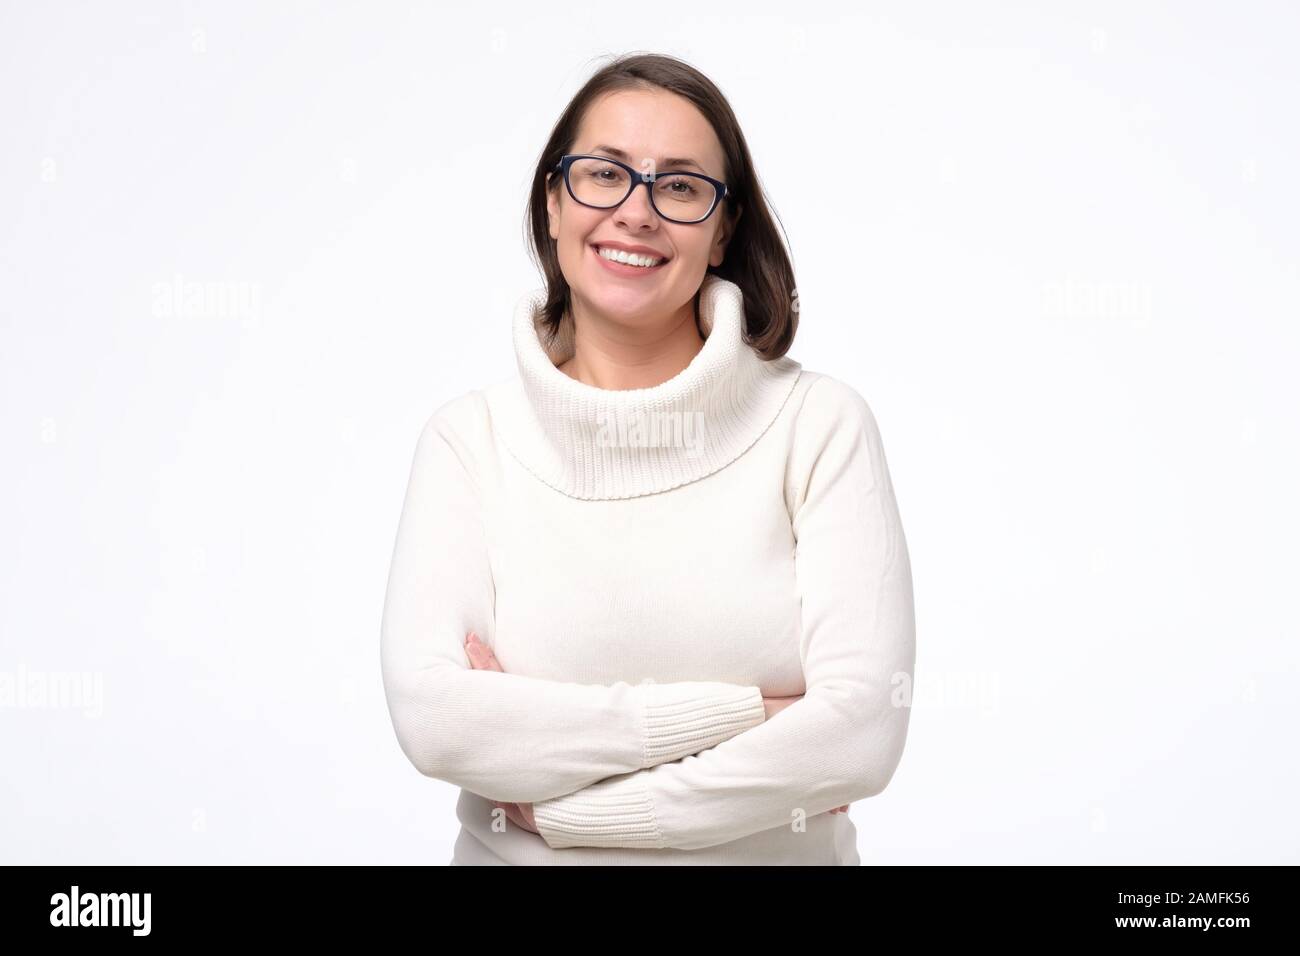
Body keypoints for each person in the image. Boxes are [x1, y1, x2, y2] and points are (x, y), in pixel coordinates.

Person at [379, 52, 916, 865]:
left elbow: (860, 735)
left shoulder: (819, 426)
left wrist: (574, 814)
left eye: (680, 186)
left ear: (723, 227)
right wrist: (760, 717)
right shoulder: (469, 440)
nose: (637, 212)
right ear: (553, 202)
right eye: (604, 174)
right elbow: (436, 719)